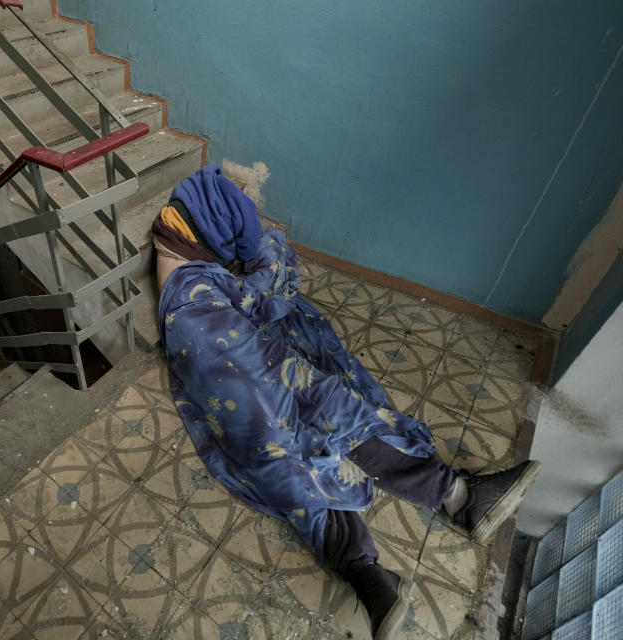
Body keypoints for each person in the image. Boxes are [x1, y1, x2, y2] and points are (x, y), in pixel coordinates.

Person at [153, 166, 541, 640]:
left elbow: (248, 292)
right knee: (304, 430)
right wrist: (268, 252)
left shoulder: (182, 262)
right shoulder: (194, 299)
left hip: (238, 388)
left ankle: (407, 546)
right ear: (212, 232)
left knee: (308, 434)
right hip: (240, 395)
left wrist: (258, 257)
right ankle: (429, 522)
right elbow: (265, 291)